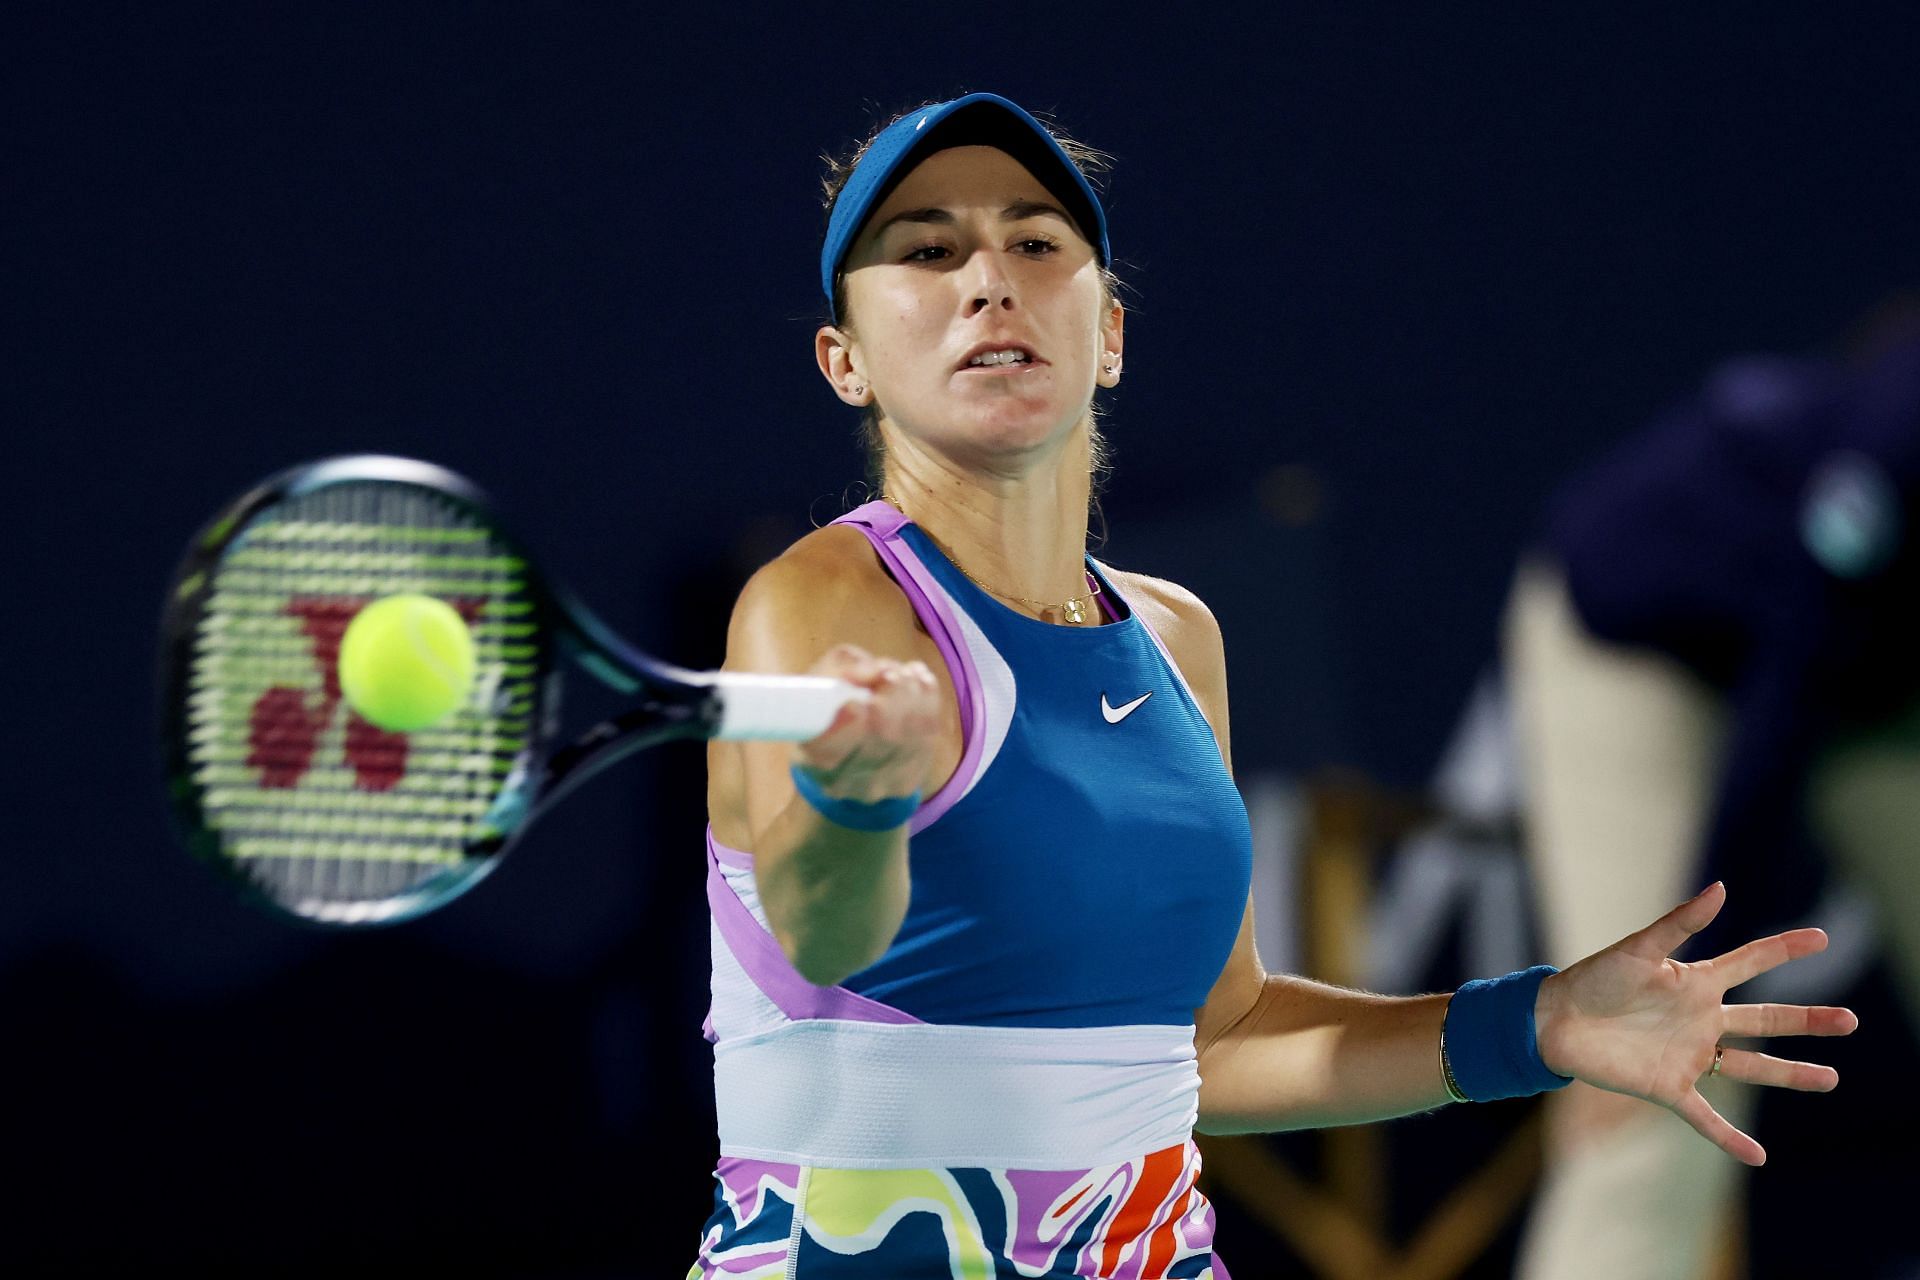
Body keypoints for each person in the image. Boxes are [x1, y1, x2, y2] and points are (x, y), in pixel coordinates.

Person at [686, 92, 1858, 1279]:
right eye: (928, 250)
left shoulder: (1175, 633)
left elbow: (1218, 1039)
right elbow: (821, 933)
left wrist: (1538, 1023)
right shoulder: (822, 598)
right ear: (846, 362)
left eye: (1037, 242)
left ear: (1110, 336)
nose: (990, 278)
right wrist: (858, 803)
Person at [1505, 315, 1920, 1279]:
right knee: (1674, 1075)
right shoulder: (1898, 440)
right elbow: (1791, 698)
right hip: (1637, 642)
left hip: (1874, 684)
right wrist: (1687, 981)